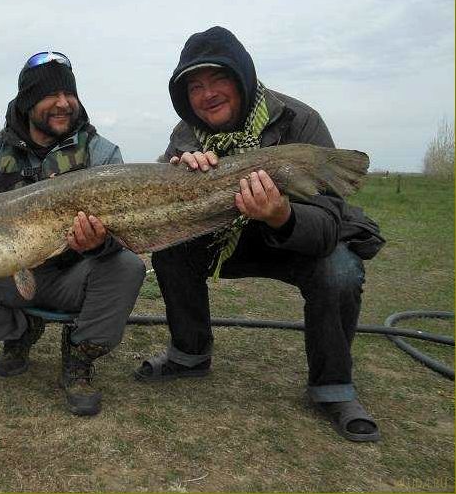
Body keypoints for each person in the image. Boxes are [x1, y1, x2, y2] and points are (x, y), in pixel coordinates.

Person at [134, 27, 385, 442]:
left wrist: (281, 214)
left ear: (243, 78)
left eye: (219, 80)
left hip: (294, 240)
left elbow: (326, 224)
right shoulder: (185, 135)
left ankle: (333, 387)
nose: (206, 94)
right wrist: (179, 175)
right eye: (195, 86)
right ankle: (189, 355)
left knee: (340, 269)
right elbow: (167, 212)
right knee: (172, 247)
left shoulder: (301, 121)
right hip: (227, 240)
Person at [0, 51, 145, 416]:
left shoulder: (104, 154)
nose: (64, 103)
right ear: (28, 101)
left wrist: (100, 243)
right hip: (10, 272)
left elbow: (126, 229)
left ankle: (80, 356)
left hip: (77, 272)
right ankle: (21, 331)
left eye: (69, 94)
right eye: (51, 95)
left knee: (127, 266)